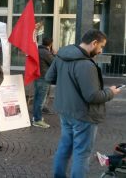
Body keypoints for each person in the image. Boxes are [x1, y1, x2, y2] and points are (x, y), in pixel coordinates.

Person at [45, 29, 121, 178]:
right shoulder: (87, 65)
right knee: (82, 153)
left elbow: (50, 77)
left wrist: (67, 83)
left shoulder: (61, 55)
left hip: (65, 111)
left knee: (65, 147)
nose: (101, 50)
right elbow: (92, 96)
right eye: (101, 46)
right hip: (83, 115)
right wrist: (111, 92)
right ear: (94, 43)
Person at [32, 37, 55, 128]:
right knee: (40, 100)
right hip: (43, 78)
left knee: (37, 99)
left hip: (38, 77)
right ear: (50, 44)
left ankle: (35, 117)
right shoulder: (45, 52)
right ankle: (37, 120)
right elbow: (54, 62)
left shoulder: (38, 50)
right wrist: (53, 54)